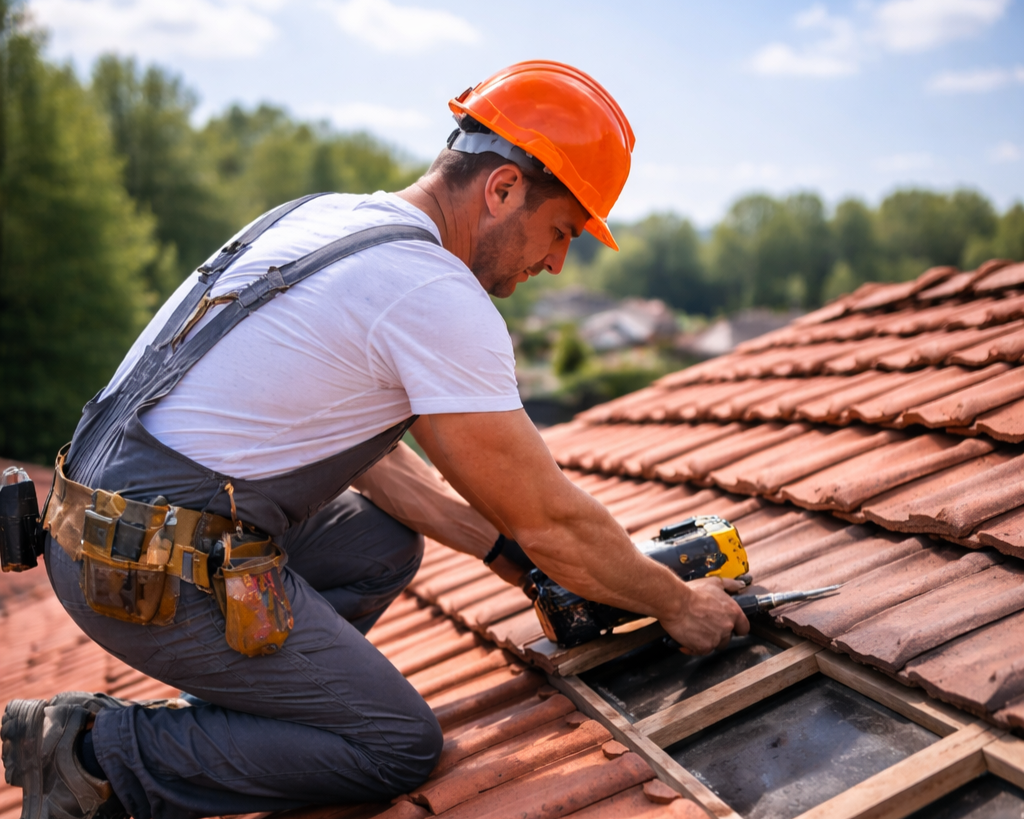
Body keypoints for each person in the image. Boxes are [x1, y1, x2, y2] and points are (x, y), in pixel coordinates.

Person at [1, 60, 748, 819]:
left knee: (379, 542)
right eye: (560, 232)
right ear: (502, 189)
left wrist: (510, 562)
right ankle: (88, 750)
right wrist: (677, 603)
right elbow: (549, 516)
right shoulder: (431, 293)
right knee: (394, 745)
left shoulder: (326, 220)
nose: (555, 262)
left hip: (96, 527)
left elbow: (375, 458)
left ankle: (233, 718)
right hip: (144, 571)